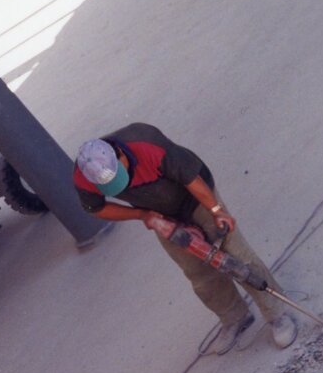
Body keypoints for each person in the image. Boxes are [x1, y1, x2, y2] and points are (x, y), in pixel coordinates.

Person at [73, 123, 297, 354]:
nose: (119, 184)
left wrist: (216, 210)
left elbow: (191, 178)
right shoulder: (85, 175)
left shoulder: (147, 144)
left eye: (117, 175)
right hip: (160, 213)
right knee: (197, 272)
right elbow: (96, 208)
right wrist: (142, 215)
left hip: (196, 197)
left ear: (119, 155)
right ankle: (234, 317)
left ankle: (277, 313)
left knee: (237, 255)